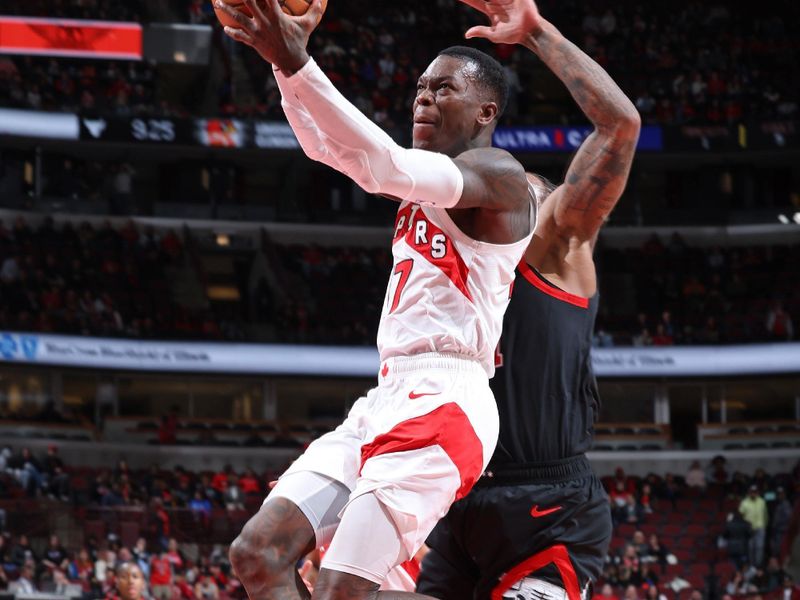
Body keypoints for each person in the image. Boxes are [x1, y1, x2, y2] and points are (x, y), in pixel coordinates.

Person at [219, 0, 538, 599]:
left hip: (447, 400)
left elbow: (380, 164)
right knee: (257, 554)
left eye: (443, 89)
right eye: (420, 87)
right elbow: (332, 150)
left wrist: (296, 57)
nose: (423, 98)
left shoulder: (498, 174)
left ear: (486, 111)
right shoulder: (426, 182)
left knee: (344, 591)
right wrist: (284, 70)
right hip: (385, 394)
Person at [415, 0, 639, 598]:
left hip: (548, 504)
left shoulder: (557, 237)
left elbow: (620, 127)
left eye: (515, 190)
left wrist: (536, 34)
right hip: (459, 496)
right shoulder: (445, 254)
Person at [740, 484, 769, 567]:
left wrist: (765, 525)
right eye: (752, 492)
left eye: (755, 492)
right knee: (750, 548)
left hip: (760, 528)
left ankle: (758, 566)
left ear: (758, 492)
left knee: (760, 547)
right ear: (749, 492)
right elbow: (741, 515)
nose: (753, 494)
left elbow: (765, 514)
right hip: (749, 529)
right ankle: (752, 566)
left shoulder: (762, 501)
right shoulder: (744, 502)